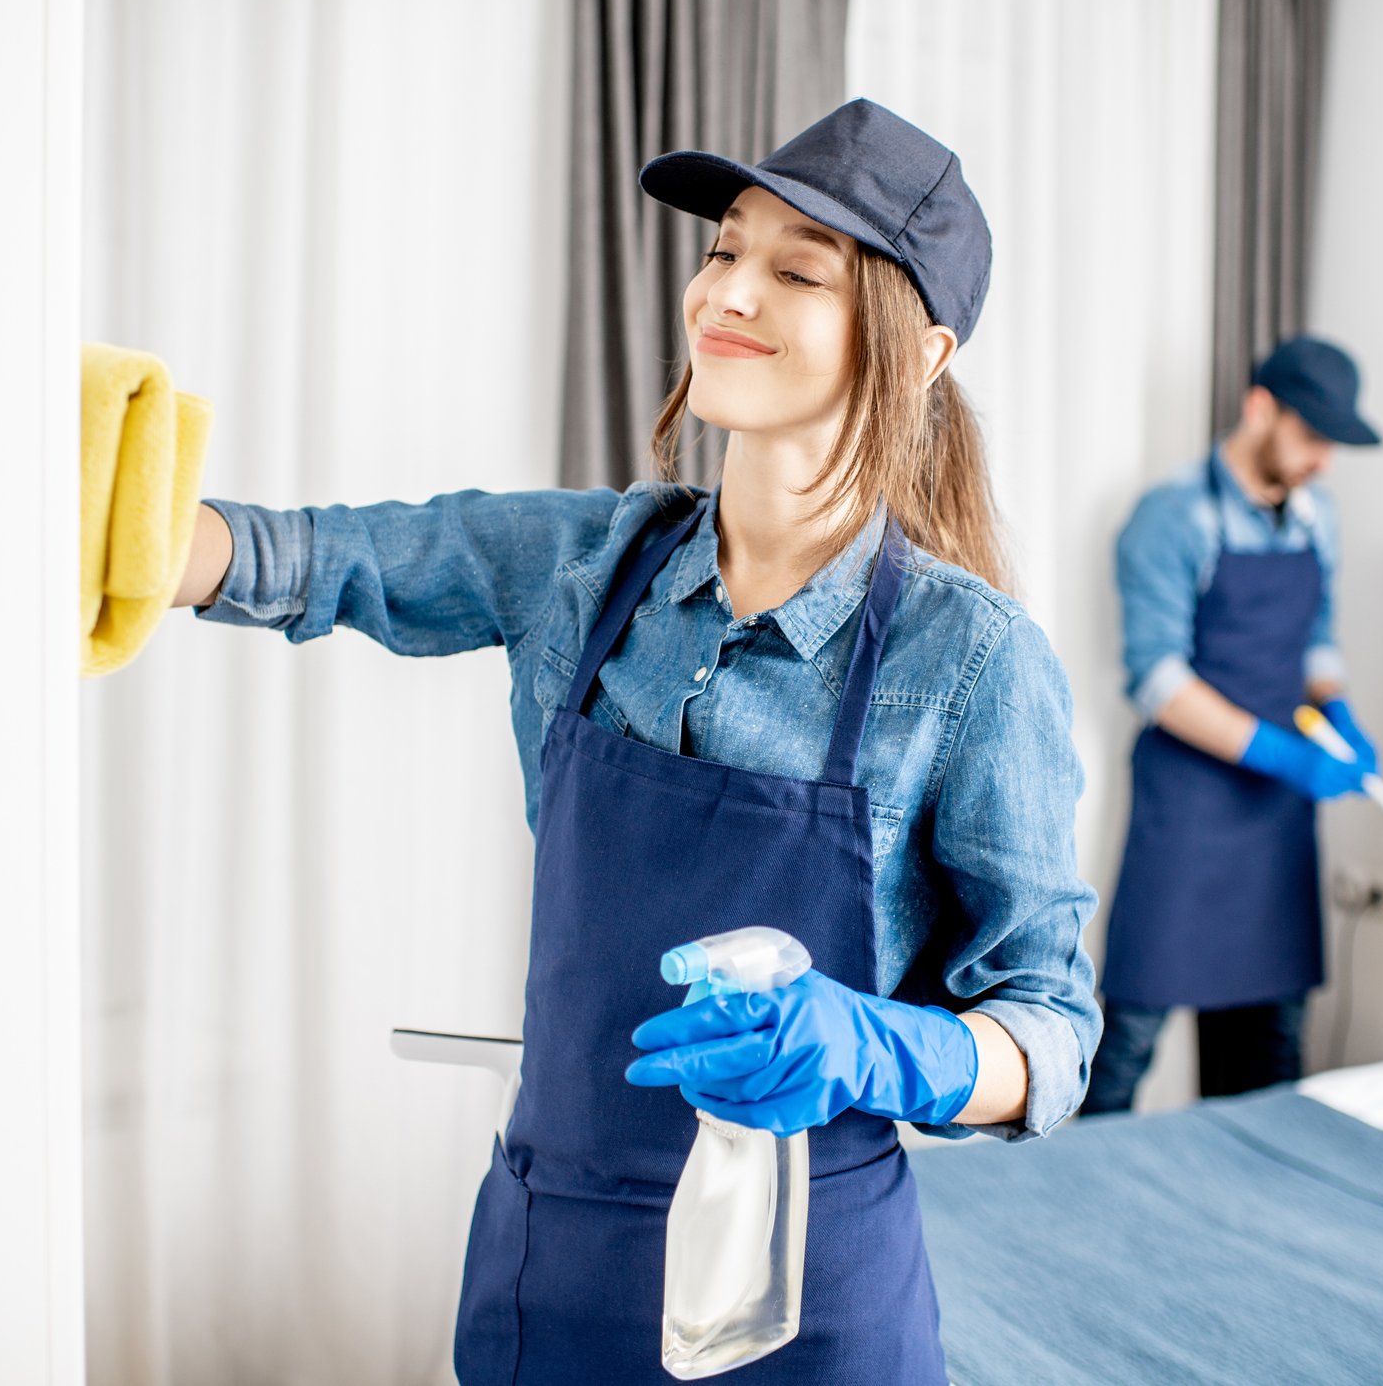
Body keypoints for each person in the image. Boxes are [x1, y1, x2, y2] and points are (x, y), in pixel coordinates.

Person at [160, 99, 1100, 1382]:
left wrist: (884, 1046)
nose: (728, 292)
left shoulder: (971, 659)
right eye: (722, 251)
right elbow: (308, 556)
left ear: (919, 350)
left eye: (794, 269)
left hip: (810, 1298)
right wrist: (119, 522)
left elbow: (1051, 1028)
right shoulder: (581, 564)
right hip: (555, 1262)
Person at [1081, 336, 1383, 1115]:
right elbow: (1157, 679)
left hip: (1277, 816)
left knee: (1269, 1049)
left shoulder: (1318, 520)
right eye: (1312, 438)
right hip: (1189, 803)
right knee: (1129, 1038)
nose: (1322, 461)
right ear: (1260, 409)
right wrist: (1283, 753)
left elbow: (1317, 640)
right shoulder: (1171, 517)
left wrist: (1337, 712)